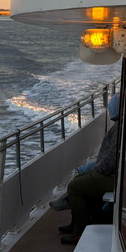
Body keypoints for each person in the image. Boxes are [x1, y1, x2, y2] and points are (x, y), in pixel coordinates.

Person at [52, 94, 121, 244]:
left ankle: (79, 231)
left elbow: (112, 158)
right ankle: (74, 223)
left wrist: (99, 170)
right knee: (78, 180)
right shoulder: (120, 126)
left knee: (75, 187)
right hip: (113, 173)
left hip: (112, 177)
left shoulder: (119, 129)